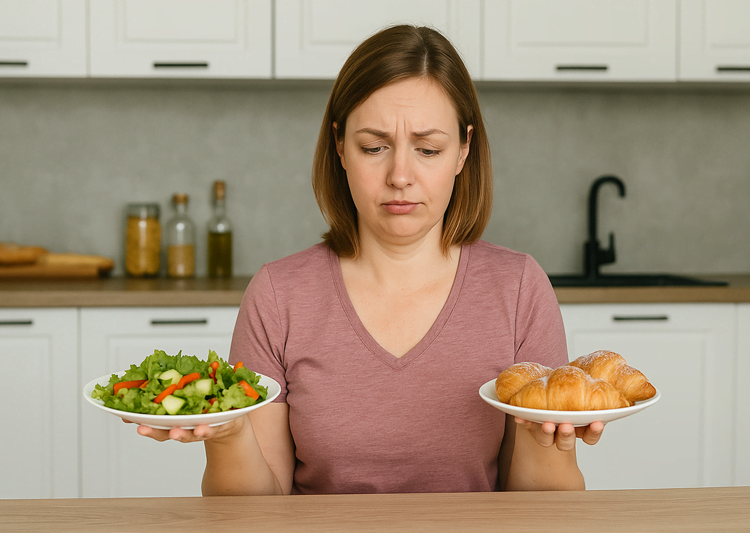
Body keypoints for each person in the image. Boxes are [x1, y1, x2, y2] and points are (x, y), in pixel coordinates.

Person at [137, 24, 605, 495]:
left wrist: (547, 437)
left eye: (428, 149)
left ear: (464, 149)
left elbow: (541, 510)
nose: (400, 175)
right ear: (340, 145)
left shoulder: (519, 289)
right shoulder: (279, 297)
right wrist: (228, 434)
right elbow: (254, 514)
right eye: (373, 147)